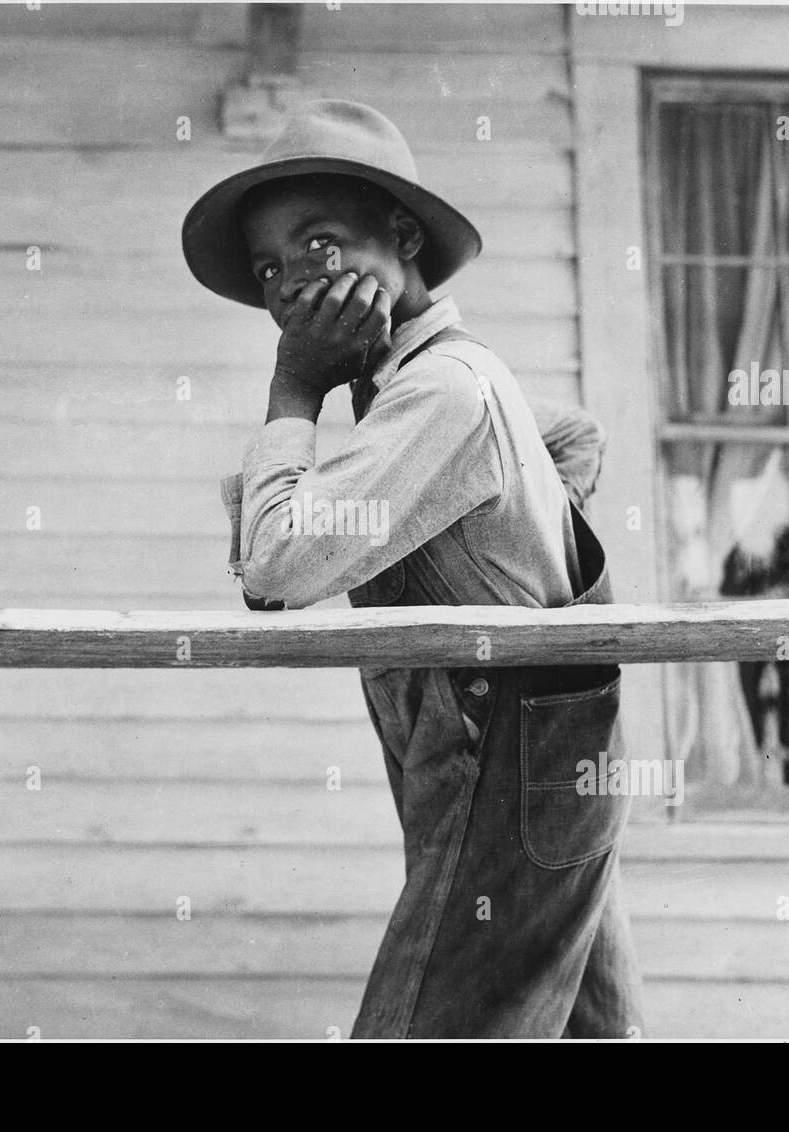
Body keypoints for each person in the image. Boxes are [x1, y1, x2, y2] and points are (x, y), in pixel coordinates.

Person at [183, 99, 643, 1038]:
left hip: (506, 779)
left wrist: (295, 388)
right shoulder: (449, 382)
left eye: (318, 245)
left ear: (403, 235)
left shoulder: (440, 391)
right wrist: (517, 543)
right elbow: (573, 438)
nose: (287, 286)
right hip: (544, 779)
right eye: (270, 267)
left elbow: (275, 567)